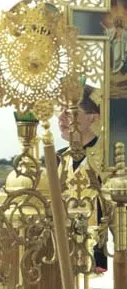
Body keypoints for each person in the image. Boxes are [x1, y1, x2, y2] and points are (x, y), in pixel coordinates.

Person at [56, 84, 108, 273]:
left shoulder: (111, 160)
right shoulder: (57, 159)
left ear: (94, 116)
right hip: (62, 257)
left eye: (69, 110)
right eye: (59, 109)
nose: (61, 117)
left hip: (103, 262)